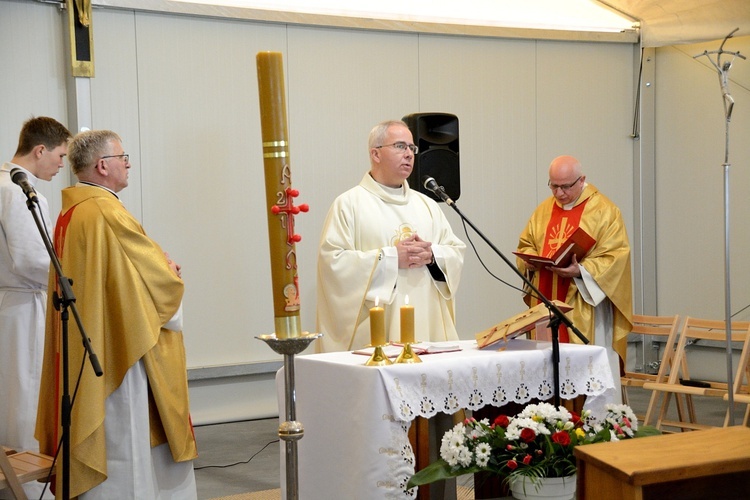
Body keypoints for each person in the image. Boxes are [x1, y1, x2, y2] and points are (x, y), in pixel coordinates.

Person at [35, 130, 197, 499]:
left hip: (91, 342)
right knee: (126, 438)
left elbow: (120, 274)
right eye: (123, 157)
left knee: (109, 430)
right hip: (119, 348)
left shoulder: (73, 212)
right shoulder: (106, 211)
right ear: (102, 165)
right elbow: (155, 280)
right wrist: (169, 271)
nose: (128, 164)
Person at [316, 119, 466, 353]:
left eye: (412, 148)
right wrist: (391, 258)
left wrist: (433, 255)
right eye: (400, 146)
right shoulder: (349, 205)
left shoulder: (428, 206)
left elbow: (455, 251)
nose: (409, 154)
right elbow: (333, 264)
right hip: (376, 342)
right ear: (375, 154)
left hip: (427, 333)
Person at [516, 155, 633, 402]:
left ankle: (591, 428)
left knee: (587, 376)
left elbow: (616, 257)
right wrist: (527, 260)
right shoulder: (544, 210)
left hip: (584, 307)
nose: (558, 193)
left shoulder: (604, 211)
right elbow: (526, 244)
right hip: (545, 302)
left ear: (582, 180)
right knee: (545, 374)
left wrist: (581, 270)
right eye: (553, 185)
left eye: (566, 186)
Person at [0, 116, 70, 499]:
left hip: (10, 302)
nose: (61, 165)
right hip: (23, 303)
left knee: (11, 390)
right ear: (39, 150)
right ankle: (23, 487)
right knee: (25, 394)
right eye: (59, 156)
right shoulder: (19, 190)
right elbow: (30, 259)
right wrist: (71, 269)